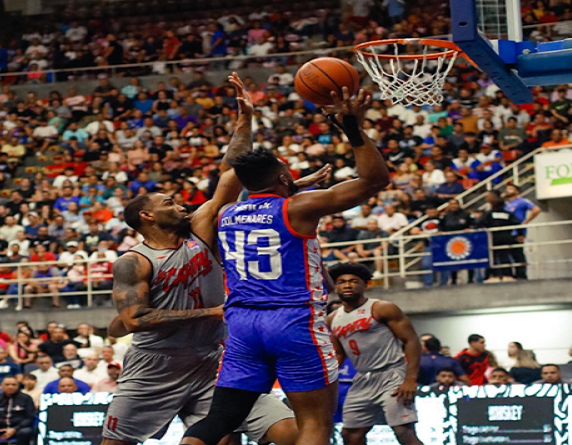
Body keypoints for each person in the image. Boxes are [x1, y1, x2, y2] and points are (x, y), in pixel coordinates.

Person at [106, 73, 301, 445]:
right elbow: (134, 319)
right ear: (147, 216)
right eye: (169, 203)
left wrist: (245, 119)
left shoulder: (200, 231)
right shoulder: (133, 262)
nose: (180, 205)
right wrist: (211, 312)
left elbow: (231, 173)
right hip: (155, 364)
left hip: (213, 358)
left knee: (287, 432)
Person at [187, 87, 389, 445]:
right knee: (315, 423)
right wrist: (353, 129)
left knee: (220, 420)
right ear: (283, 178)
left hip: (243, 324)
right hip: (294, 321)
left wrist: (245, 121)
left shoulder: (224, 213)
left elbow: (231, 170)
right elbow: (373, 181)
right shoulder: (298, 207)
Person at [326, 263, 424, 445]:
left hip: (392, 374)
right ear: (336, 287)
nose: (347, 285)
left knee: (404, 432)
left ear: (365, 284)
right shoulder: (332, 318)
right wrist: (324, 378)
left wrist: (410, 379)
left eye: (353, 281)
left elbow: (411, 341)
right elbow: (338, 353)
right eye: (342, 282)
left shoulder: (382, 308)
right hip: (362, 378)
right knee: (350, 435)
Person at [503, 184, 540, 279]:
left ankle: (521, 275)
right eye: (507, 189)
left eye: (511, 188)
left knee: (518, 254)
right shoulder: (504, 204)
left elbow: (536, 209)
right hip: (506, 232)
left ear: (517, 191)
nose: (508, 190)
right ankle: (509, 275)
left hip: (517, 232)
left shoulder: (522, 201)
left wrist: (526, 222)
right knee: (506, 255)